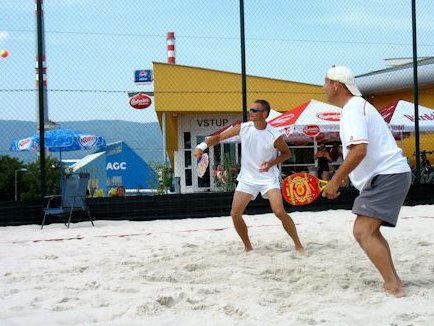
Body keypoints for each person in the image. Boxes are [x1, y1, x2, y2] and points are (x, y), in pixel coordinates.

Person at [322, 66, 411, 297]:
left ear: (336, 85)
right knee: (370, 231)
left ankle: (394, 285)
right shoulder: (357, 107)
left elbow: (359, 150)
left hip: (388, 175)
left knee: (363, 231)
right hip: (387, 175)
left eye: (325, 82)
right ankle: (394, 280)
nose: (323, 86)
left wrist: (335, 180)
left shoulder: (353, 108)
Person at [194, 99, 306, 255]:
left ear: (264, 114)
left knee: (279, 212)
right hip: (247, 179)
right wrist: (201, 147)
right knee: (235, 213)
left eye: (254, 110)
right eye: (250, 109)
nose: (250, 112)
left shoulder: (274, 134)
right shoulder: (243, 128)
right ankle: (248, 247)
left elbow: (287, 154)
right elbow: (218, 137)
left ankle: (298, 245)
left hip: (268, 178)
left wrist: (271, 163)